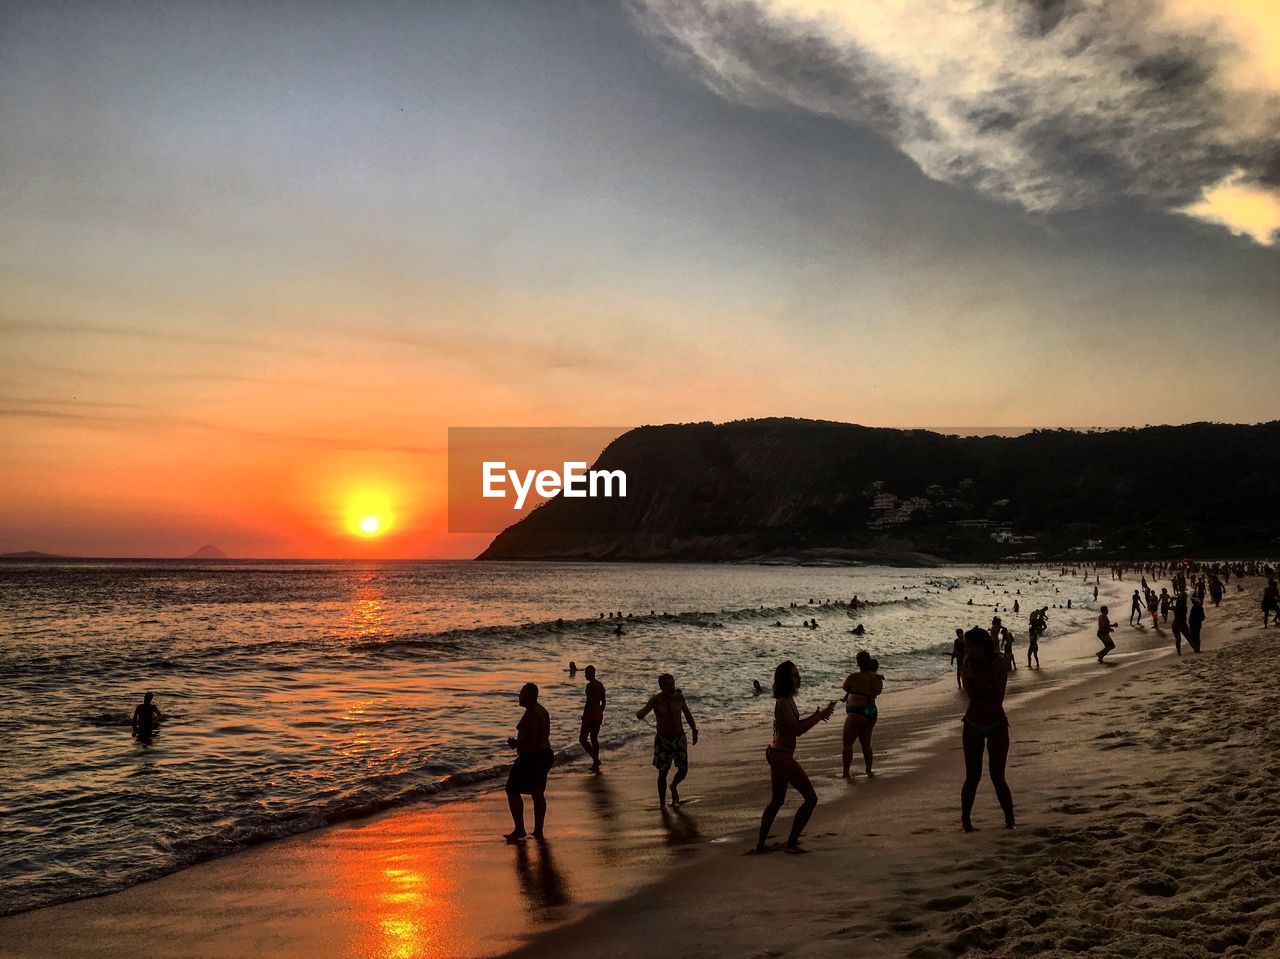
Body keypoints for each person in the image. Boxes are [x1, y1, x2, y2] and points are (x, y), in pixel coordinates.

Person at [752, 660, 835, 853]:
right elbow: (796, 730)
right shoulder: (782, 702)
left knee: (777, 801)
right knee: (811, 799)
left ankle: (761, 845)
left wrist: (818, 715)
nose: (799, 678)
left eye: (798, 674)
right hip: (781, 755)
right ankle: (790, 843)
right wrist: (818, 717)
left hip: (778, 752)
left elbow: (794, 725)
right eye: (795, 675)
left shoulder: (789, 699)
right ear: (785, 680)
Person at [959, 626, 1014, 832]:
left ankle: (1010, 820)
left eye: (969, 646)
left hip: (997, 723)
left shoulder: (999, 663)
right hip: (973, 723)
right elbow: (973, 694)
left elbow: (997, 694)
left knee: (997, 776)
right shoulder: (968, 663)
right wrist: (975, 679)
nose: (966, 651)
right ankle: (966, 821)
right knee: (972, 776)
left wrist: (974, 677)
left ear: (981, 647)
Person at [636, 674, 698, 807]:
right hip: (663, 740)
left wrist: (694, 730)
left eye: (673, 684)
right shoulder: (655, 700)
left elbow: (687, 715)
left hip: (679, 737)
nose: (672, 687)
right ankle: (662, 803)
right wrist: (640, 714)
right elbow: (643, 712)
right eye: (669, 685)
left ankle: (674, 785)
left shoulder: (679, 698)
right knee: (663, 772)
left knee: (683, 770)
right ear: (661, 686)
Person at [505, 682, 553, 842]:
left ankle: (520, 829)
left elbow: (531, 736)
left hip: (532, 758)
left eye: (522, 693)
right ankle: (538, 830)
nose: (519, 696)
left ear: (529, 696)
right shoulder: (541, 710)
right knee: (537, 793)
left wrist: (516, 743)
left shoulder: (532, 712)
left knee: (511, 789)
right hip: (544, 755)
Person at [841, 650, 884, 777]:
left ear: (858, 662)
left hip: (856, 712)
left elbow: (845, 686)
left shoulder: (854, 677)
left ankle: (846, 772)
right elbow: (878, 691)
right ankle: (868, 769)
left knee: (848, 744)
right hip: (871, 711)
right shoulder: (877, 678)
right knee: (866, 743)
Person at [579, 665, 606, 773]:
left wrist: (585, 717)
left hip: (590, 715)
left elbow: (589, 703)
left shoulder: (590, 686)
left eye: (586, 673)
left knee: (582, 739)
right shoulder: (600, 685)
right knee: (594, 738)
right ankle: (595, 762)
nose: (585, 675)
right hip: (598, 714)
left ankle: (596, 759)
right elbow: (603, 702)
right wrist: (600, 712)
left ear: (591, 673)